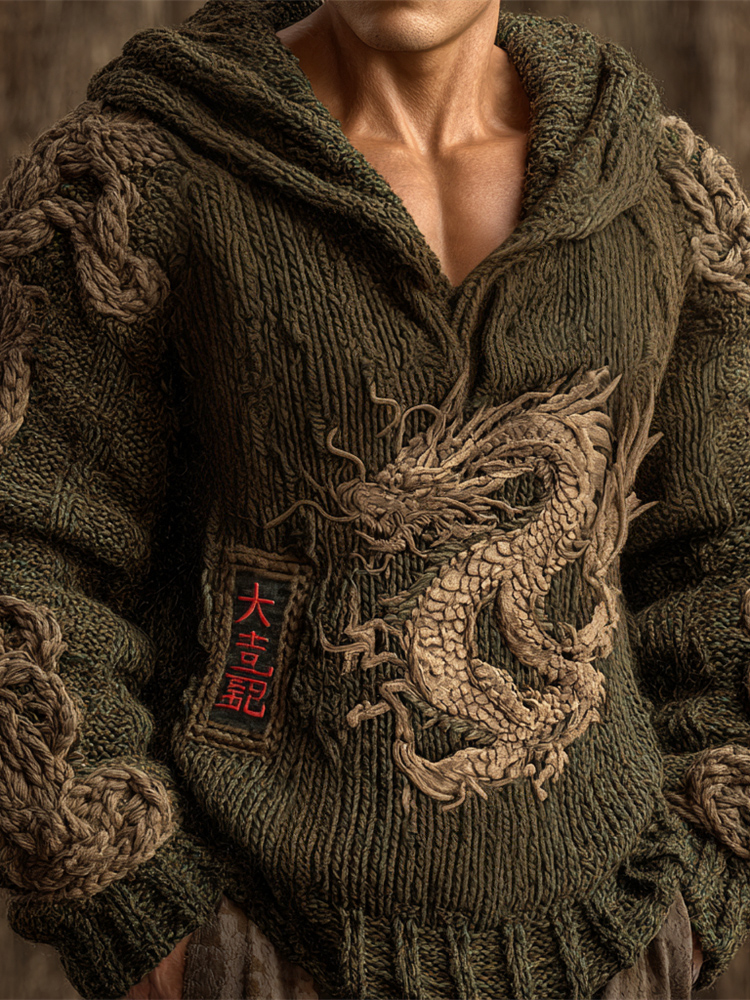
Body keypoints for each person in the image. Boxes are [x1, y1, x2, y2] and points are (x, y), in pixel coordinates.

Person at [0, 0, 749, 997]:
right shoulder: (141, 178)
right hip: (258, 942)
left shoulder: (659, 191)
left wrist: (701, 884)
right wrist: (143, 918)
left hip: (613, 936)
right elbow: (25, 551)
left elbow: (724, 555)